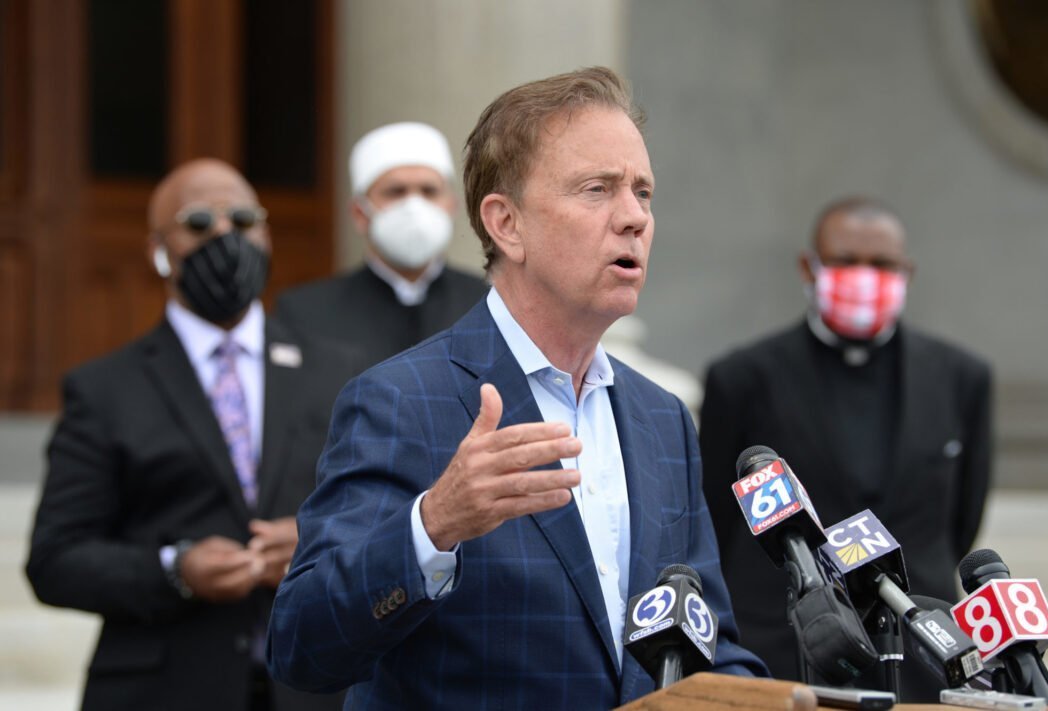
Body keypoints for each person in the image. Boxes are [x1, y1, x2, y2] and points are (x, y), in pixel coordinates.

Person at [266, 67, 768, 708]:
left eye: (643, 192)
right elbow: (301, 645)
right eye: (597, 189)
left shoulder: (662, 417)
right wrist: (434, 525)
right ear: (506, 224)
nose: (635, 218)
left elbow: (707, 643)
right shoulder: (400, 400)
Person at [25, 159, 360, 711]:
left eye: (244, 220)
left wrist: (316, 541)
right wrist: (174, 569)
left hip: (316, 685)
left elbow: (386, 514)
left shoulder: (337, 371)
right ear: (159, 249)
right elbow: (56, 560)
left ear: (266, 236)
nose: (225, 237)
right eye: (199, 222)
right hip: (164, 688)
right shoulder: (105, 388)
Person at [699, 197, 992, 700]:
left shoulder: (961, 379)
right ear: (808, 267)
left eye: (881, 264)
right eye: (845, 261)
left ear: (906, 273)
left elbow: (963, 517)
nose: (863, 276)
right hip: (784, 653)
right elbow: (717, 522)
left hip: (917, 657)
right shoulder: (742, 379)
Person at [273, 121, 487, 368]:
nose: (414, 206)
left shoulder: (487, 304)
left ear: (452, 206)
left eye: (429, 191)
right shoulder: (307, 313)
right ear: (359, 213)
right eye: (396, 192)